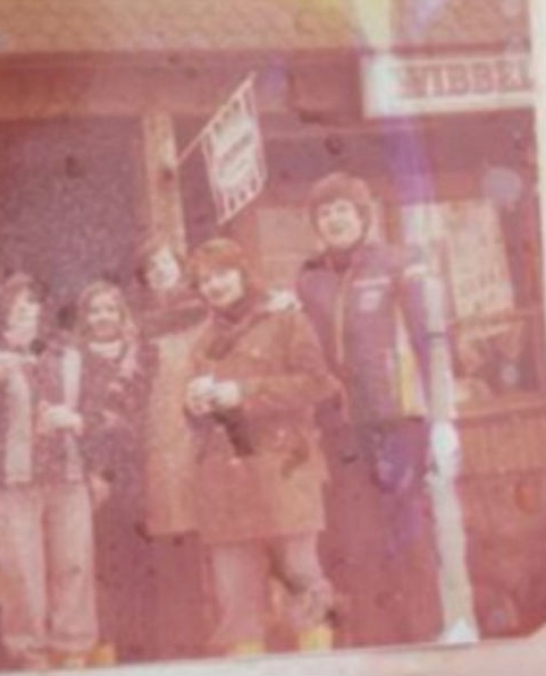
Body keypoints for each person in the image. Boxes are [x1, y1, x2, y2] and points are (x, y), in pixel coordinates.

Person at [296, 171, 443, 646]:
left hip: (399, 420)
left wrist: (438, 417)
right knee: (357, 538)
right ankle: (376, 645)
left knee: (408, 531)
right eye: (325, 212)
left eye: (342, 209)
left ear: (361, 214)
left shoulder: (400, 263)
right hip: (341, 429)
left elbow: (429, 343)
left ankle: (427, 638)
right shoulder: (308, 278)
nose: (334, 219)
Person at [184, 237, 337, 656]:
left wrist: (245, 392)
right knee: (235, 592)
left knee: (301, 576)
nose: (215, 286)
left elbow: (317, 383)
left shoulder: (287, 319)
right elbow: (200, 420)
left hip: (285, 466)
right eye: (205, 280)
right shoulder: (202, 343)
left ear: (243, 273)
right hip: (227, 479)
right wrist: (195, 405)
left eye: (222, 274)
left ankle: (318, 662)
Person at [0, 273, 98, 671]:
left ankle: (74, 651)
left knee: (74, 564)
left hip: (70, 475)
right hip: (12, 480)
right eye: (15, 308)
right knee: (21, 574)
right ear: (2, 316)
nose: (25, 314)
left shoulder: (71, 355)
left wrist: (77, 421)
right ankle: (30, 657)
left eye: (32, 305)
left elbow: (98, 409)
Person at [134, 236, 210, 659]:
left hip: (200, 439)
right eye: (151, 269)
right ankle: (179, 646)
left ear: (180, 266)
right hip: (159, 445)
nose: (160, 271)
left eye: (165, 263)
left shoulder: (206, 314)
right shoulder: (140, 328)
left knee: (209, 541)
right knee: (170, 544)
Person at [74, 280, 155, 664]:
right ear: (84, 318)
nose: (103, 317)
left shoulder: (142, 354)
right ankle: (107, 653)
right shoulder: (74, 359)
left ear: (122, 313)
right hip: (94, 477)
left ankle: (142, 651)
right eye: (95, 310)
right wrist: (96, 470)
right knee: (99, 564)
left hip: (140, 472)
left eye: (110, 309)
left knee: (140, 562)